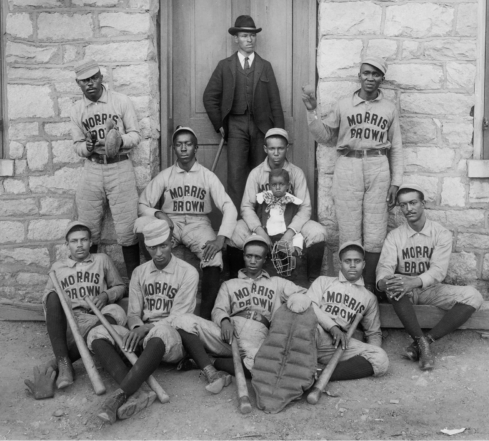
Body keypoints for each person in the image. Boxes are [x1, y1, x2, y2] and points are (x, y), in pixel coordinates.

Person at [302, 57, 403, 293]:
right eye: (366, 73)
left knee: (376, 231)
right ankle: (349, 285)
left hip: (378, 165)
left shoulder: (388, 108)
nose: (370, 78)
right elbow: (325, 136)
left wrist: (396, 182)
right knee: (348, 229)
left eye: (376, 74)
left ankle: (369, 287)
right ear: (359, 75)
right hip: (348, 164)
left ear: (382, 79)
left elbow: (396, 147)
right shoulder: (343, 104)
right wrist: (311, 111)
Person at [91, 219, 199, 424]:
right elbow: (133, 313)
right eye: (152, 247)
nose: (158, 253)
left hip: (171, 339)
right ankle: (138, 391)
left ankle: (120, 396)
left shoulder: (188, 272)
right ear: (146, 247)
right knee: (98, 334)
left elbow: (178, 318)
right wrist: (138, 328)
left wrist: (147, 329)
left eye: (163, 246)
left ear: (172, 243)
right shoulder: (139, 273)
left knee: (161, 333)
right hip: (143, 335)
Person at [172, 234, 307, 391]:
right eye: (249, 256)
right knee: (183, 320)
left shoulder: (277, 283)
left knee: (263, 368)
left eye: (258, 257)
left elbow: (302, 294)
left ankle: (208, 360)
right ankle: (209, 370)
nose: (253, 261)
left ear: (265, 259)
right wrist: (224, 321)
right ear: (243, 256)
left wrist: (291, 309)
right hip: (227, 334)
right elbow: (219, 309)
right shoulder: (230, 284)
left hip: (258, 334)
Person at [376, 184, 483, 370]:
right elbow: (385, 267)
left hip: (430, 289)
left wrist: (414, 282)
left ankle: (425, 341)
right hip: (404, 292)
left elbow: (438, 271)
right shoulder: (395, 236)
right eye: (403, 205)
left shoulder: (440, 233)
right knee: (394, 286)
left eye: (413, 203)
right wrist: (384, 282)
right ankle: (422, 344)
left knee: (473, 296)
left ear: (423, 203)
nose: (408, 209)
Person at [135, 126, 237, 320]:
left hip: (198, 223)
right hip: (170, 222)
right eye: (179, 144)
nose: (183, 148)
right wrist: (159, 214)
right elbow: (142, 204)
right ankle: (154, 276)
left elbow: (229, 207)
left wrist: (220, 238)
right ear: (174, 148)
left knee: (213, 257)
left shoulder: (207, 176)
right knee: (140, 224)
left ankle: (206, 318)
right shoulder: (166, 175)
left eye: (188, 144)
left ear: (196, 148)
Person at [24, 221, 127, 399]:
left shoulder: (101, 260)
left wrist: (105, 295)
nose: (79, 245)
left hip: (97, 318)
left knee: (118, 311)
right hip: (71, 321)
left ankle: (60, 363)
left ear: (90, 242)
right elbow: (48, 301)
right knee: (53, 295)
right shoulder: (58, 267)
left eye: (84, 240)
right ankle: (63, 362)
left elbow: (120, 286)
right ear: (67, 244)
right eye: (74, 241)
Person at [69, 58, 142, 279]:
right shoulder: (77, 109)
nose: (90, 84)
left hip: (119, 165)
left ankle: (133, 284)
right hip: (93, 167)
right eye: (84, 81)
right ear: (78, 84)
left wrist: (119, 141)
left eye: (94, 78)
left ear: (101, 77)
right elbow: (77, 145)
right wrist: (87, 147)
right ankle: (89, 281)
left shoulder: (120, 101)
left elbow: (136, 135)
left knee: (128, 227)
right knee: (88, 227)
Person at [203, 15, 284, 209]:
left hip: (261, 127)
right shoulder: (225, 66)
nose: (249, 40)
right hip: (235, 126)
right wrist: (220, 125)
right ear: (236, 39)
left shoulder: (265, 66)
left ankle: (262, 222)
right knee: (236, 176)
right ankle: (237, 225)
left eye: (252, 36)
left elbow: (275, 102)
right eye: (245, 35)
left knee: (262, 175)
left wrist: (279, 134)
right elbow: (209, 97)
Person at [228, 128, 327, 284]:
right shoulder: (257, 173)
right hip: (262, 226)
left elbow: (305, 208)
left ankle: (312, 281)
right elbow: (246, 207)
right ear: (265, 149)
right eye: (272, 148)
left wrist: (289, 234)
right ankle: (235, 281)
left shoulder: (296, 173)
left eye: (280, 148)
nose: (276, 153)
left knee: (318, 232)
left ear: (287, 148)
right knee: (234, 231)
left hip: (290, 225)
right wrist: (260, 232)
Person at [307, 241, 389, 381]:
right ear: (340, 263)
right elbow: (309, 306)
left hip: (337, 344)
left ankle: (320, 376)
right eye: (347, 261)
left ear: (363, 264)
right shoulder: (323, 281)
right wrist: (332, 327)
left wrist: (369, 354)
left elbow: (373, 333)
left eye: (356, 261)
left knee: (380, 358)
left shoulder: (369, 297)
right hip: (314, 332)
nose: (352, 265)